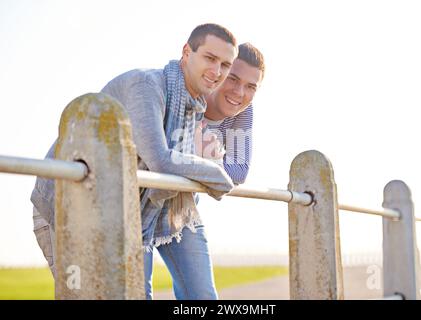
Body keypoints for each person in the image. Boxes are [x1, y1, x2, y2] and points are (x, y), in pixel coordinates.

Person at [30, 23, 238, 300]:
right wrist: (216, 174)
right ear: (187, 53)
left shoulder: (192, 108)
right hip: (71, 207)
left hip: (129, 215)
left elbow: (174, 167)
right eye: (210, 58)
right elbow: (161, 161)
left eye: (225, 64)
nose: (217, 72)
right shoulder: (146, 86)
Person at [196, 42, 265, 185]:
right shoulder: (193, 93)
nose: (239, 92)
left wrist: (209, 159)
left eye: (250, 87)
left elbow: (239, 172)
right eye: (233, 79)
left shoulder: (243, 110)